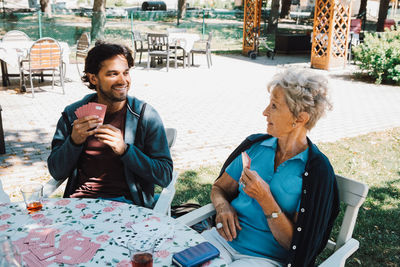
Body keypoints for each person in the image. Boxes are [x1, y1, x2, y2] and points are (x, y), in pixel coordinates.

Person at [202, 68, 340, 267]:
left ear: (300, 119)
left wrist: (265, 198)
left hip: (263, 259)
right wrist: (223, 206)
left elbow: (295, 244)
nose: (265, 112)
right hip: (220, 242)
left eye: (274, 106)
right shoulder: (256, 147)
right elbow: (219, 188)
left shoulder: (316, 171)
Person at [47, 42, 173, 208]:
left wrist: (125, 150)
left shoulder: (145, 116)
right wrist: (73, 142)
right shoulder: (72, 115)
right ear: (93, 78)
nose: (123, 81)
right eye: (113, 74)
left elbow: (164, 175)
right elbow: (56, 171)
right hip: (79, 204)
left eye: (126, 73)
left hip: (127, 205)